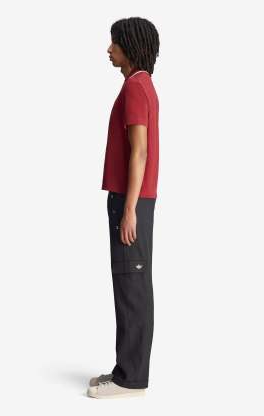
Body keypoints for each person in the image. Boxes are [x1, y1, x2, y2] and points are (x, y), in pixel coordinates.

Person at [87, 17, 160, 399]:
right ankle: (126, 370)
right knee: (130, 283)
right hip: (132, 199)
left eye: (113, 42)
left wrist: (129, 208)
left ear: (129, 46)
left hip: (131, 200)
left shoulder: (135, 87)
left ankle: (131, 380)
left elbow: (140, 151)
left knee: (132, 285)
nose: (109, 49)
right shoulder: (141, 84)